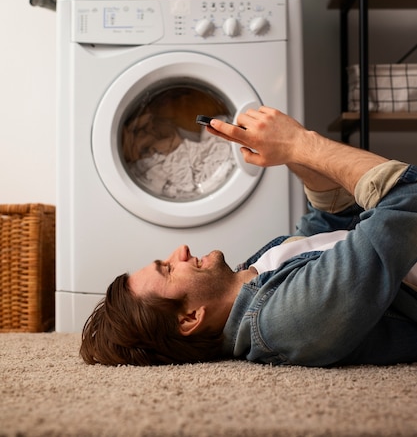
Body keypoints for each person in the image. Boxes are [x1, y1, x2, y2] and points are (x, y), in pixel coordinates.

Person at [80, 107, 417, 367]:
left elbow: (332, 220)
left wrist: (289, 154)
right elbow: (407, 202)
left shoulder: (254, 274)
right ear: (190, 319)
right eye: (168, 269)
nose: (179, 251)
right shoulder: (287, 319)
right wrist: (302, 144)